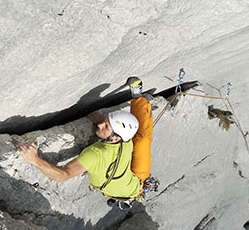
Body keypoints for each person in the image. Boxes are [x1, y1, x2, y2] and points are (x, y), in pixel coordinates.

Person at [18, 77, 154, 208]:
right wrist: (104, 124)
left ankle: (139, 98)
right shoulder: (125, 140)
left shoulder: (94, 155)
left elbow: (63, 175)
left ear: (116, 138)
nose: (100, 125)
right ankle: (140, 101)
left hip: (135, 186)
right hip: (131, 182)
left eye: (105, 126)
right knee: (141, 140)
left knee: (142, 140)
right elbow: (128, 126)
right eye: (105, 122)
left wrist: (35, 159)